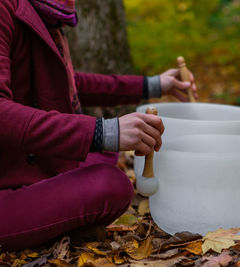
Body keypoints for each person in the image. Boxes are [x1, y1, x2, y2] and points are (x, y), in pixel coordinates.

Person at [0, 0, 197, 251]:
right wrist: (102, 132)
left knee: (104, 154)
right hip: (8, 178)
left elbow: (67, 81)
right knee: (111, 186)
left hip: (24, 165)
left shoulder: (47, 15)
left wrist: (153, 85)